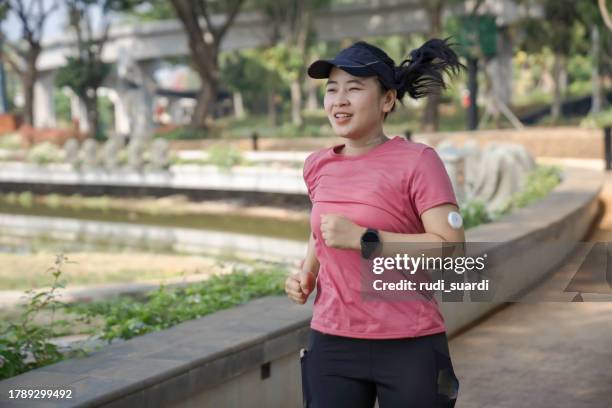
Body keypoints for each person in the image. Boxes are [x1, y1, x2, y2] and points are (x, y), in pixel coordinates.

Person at [284, 38, 466, 408]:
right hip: (332, 342)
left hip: (410, 342)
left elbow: (452, 249)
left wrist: (367, 240)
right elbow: (322, 227)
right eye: (332, 89)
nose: (339, 100)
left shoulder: (419, 161)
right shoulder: (317, 165)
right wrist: (308, 271)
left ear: (387, 100)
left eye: (354, 88)